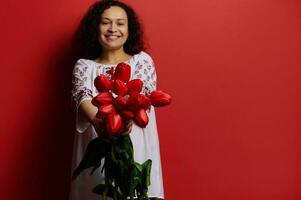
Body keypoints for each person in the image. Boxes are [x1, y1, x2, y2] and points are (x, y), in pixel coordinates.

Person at [69, 1, 164, 199]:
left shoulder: (142, 61)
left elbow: (142, 97)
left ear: (129, 30)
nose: (113, 29)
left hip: (135, 151)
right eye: (105, 23)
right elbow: (83, 96)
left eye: (120, 23)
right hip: (98, 156)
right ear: (96, 27)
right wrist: (101, 122)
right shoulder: (84, 66)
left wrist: (125, 121)